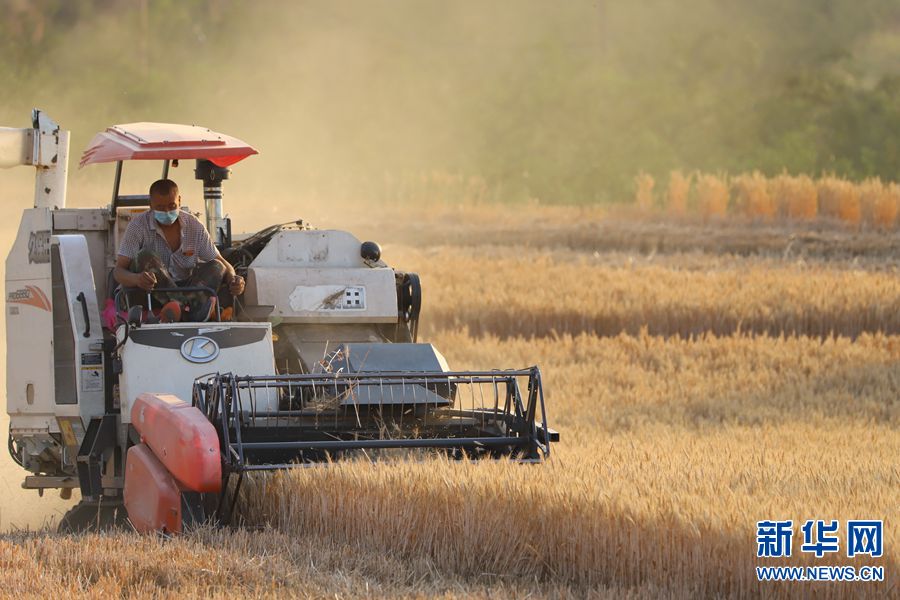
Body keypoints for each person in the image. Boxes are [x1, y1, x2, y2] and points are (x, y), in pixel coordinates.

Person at [113, 179, 245, 322]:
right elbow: (118, 271)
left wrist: (234, 279)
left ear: (179, 201)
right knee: (146, 256)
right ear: (150, 205)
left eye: (171, 206)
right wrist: (137, 279)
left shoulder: (194, 226)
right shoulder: (137, 226)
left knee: (217, 266)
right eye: (160, 207)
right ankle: (188, 311)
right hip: (149, 293)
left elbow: (223, 263)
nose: (167, 212)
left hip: (187, 290)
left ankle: (180, 308)